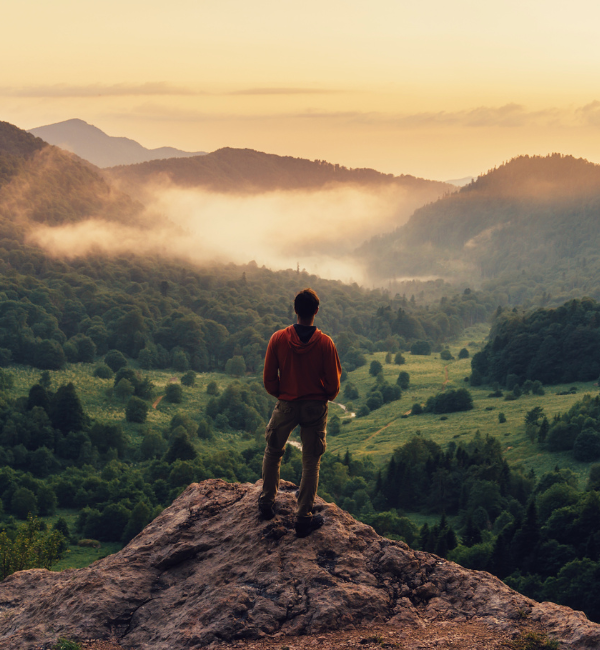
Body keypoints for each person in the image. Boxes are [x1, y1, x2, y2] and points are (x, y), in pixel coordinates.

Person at [259, 288, 341, 537]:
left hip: (286, 404)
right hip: (315, 406)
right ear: (316, 311)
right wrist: (322, 396)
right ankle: (303, 517)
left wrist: (283, 394)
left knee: (273, 452)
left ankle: (265, 504)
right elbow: (334, 384)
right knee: (311, 461)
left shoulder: (278, 339)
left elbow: (269, 378)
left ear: (295, 310)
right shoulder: (325, 343)